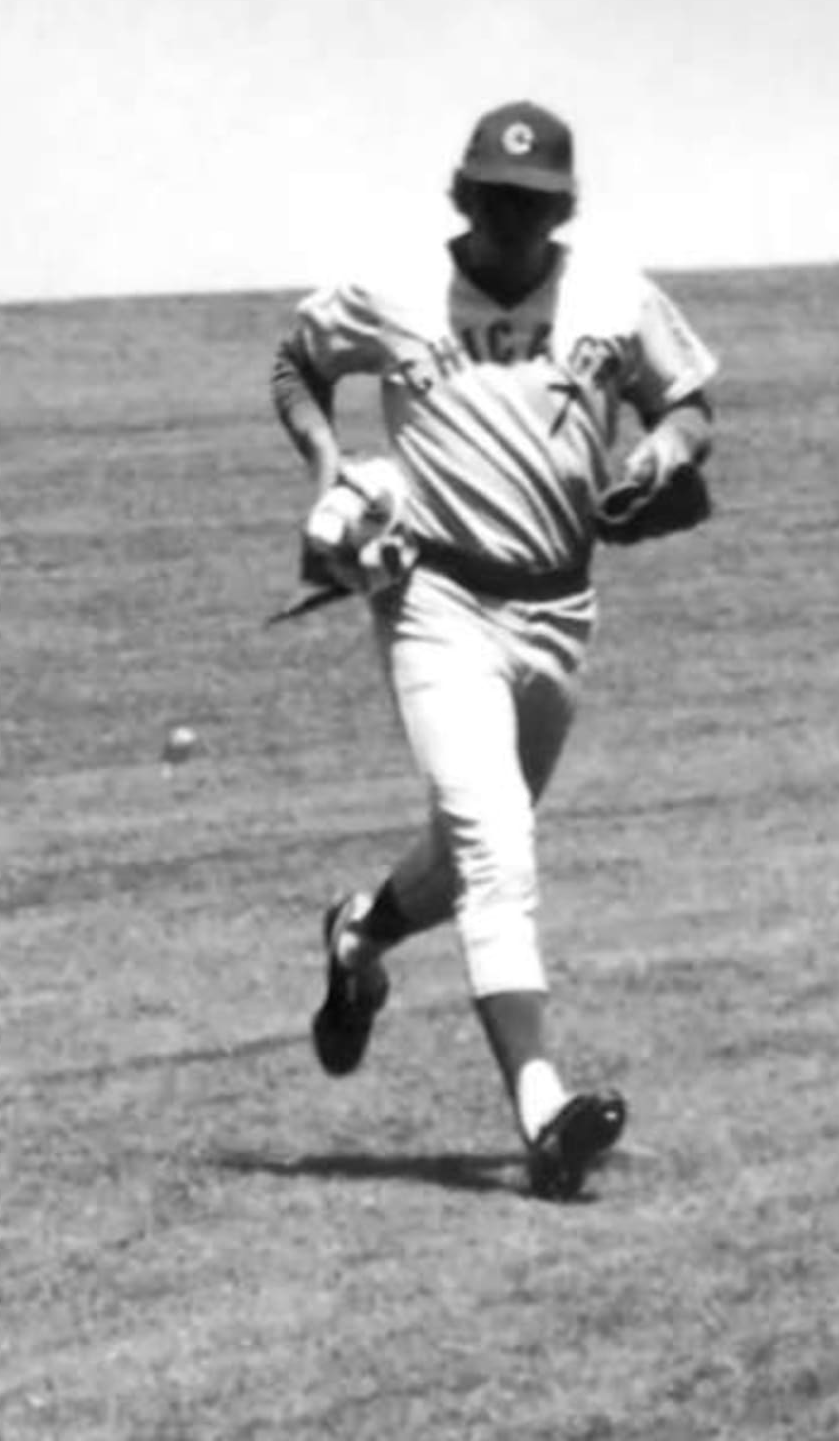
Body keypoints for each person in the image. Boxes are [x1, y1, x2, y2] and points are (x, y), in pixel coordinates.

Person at [268, 100, 721, 1202]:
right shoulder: (394, 287)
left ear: (564, 209)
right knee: (499, 850)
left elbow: (693, 403)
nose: (515, 220)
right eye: (496, 198)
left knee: (472, 845)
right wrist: (329, 468)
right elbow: (297, 361)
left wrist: (661, 452)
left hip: (559, 613)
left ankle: (359, 937)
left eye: (536, 204)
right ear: (463, 197)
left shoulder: (613, 291)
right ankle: (543, 1112)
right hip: (435, 603)